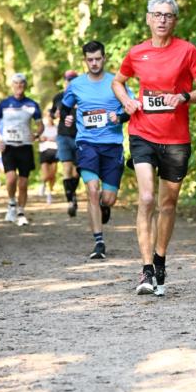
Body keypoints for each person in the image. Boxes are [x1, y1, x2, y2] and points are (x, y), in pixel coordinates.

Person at [112, 0, 196, 296]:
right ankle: (145, 270)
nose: (162, 20)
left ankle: (160, 260)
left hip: (177, 138)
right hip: (143, 133)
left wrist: (184, 96)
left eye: (168, 15)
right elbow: (117, 81)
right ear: (147, 18)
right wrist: (127, 100)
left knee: (167, 204)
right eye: (157, 14)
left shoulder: (188, 51)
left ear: (175, 20)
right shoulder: (136, 53)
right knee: (146, 198)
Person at [62, 41, 132, 260]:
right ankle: (99, 242)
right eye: (90, 59)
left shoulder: (117, 82)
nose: (94, 63)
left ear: (104, 58)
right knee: (92, 190)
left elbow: (131, 109)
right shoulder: (76, 84)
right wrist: (68, 116)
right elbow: (65, 106)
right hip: (86, 143)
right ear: (85, 60)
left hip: (112, 146)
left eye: (97, 59)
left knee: (107, 198)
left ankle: (105, 206)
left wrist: (119, 117)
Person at [0, 73, 43, 226]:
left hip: (25, 147)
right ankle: (11, 203)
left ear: (25, 86)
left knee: (23, 183)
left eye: (21, 83)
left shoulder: (32, 105)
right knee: (11, 179)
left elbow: (40, 125)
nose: (19, 86)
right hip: (8, 146)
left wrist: (36, 134)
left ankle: (21, 211)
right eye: (16, 83)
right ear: (12, 85)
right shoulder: (4, 104)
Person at [50, 70, 80, 216]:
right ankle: (70, 201)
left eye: (73, 80)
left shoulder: (82, 95)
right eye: (68, 80)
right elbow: (51, 113)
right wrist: (54, 114)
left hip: (80, 136)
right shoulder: (59, 97)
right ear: (64, 81)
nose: (70, 82)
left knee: (77, 171)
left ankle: (72, 194)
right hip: (63, 136)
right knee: (67, 168)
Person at [38, 110, 59, 204]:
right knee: (46, 174)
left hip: (55, 151)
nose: (49, 118)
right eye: (47, 116)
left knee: (52, 175)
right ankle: (42, 184)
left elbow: (59, 139)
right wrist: (41, 138)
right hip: (44, 151)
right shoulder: (42, 128)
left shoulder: (57, 128)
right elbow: (38, 137)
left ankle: (49, 193)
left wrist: (52, 138)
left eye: (50, 116)